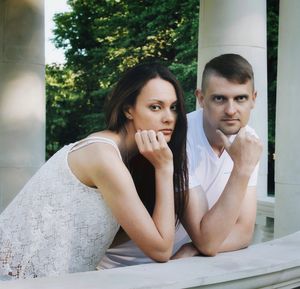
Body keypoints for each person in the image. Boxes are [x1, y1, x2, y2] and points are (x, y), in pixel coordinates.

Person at [0, 62, 189, 279]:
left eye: (173, 107)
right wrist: (164, 167)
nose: (169, 117)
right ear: (128, 110)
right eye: (155, 107)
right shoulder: (102, 156)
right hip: (14, 280)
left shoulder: (128, 158)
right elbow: (161, 250)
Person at [98, 53, 263, 268]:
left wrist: (194, 247)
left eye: (240, 98)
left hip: (174, 265)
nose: (231, 110)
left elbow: (243, 232)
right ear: (201, 98)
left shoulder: (249, 142)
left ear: (253, 99)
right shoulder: (177, 137)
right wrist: (241, 169)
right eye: (219, 98)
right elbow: (208, 241)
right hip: (125, 267)